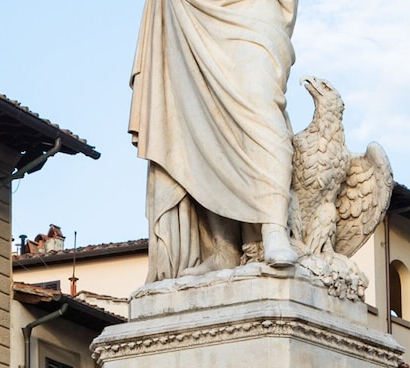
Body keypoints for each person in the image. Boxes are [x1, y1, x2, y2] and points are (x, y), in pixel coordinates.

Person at [129, 0, 301, 282]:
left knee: (261, 106)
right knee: (200, 119)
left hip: (255, 8)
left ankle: (273, 227)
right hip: (192, 8)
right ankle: (225, 247)